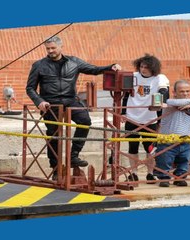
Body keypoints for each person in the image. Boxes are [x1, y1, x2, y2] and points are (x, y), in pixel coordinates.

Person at [26, 35, 121, 179]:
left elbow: (94, 69)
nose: (50, 51)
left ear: (60, 47)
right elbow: (30, 88)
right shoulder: (39, 65)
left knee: (85, 121)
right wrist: (39, 101)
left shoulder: (74, 62)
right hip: (50, 103)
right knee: (54, 136)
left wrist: (111, 67)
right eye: (48, 49)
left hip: (70, 100)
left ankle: (73, 156)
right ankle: (57, 169)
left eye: (53, 48)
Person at [122, 54, 169, 183]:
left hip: (150, 118)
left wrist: (161, 103)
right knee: (133, 146)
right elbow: (125, 95)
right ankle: (134, 172)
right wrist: (123, 112)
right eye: (141, 66)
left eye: (146, 67)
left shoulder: (159, 78)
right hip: (132, 117)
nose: (143, 69)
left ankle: (150, 173)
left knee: (150, 147)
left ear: (153, 68)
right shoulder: (133, 77)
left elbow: (164, 91)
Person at [153, 80, 190, 187]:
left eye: (187, 91)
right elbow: (175, 103)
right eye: (182, 91)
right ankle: (164, 178)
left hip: (185, 139)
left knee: (184, 160)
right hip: (168, 139)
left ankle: (180, 178)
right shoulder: (169, 103)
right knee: (165, 160)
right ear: (174, 92)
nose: (185, 94)